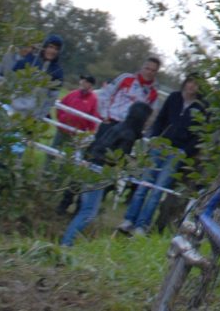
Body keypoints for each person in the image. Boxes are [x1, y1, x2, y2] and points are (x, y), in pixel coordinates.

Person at [117, 76, 208, 236]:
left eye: (196, 84)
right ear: (185, 82)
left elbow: (198, 135)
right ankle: (129, 219)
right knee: (143, 184)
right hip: (160, 145)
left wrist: (185, 151)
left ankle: (142, 225)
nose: (192, 86)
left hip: (177, 152)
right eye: (190, 82)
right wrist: (155, 137)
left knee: (158, 189)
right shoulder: (173, 97)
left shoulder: (201, 108)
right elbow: (160, 119)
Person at [59, 101, 153, 246]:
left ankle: (67, 241)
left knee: (87, 210)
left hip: (91, 166)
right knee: (88, 212)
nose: (148, 123)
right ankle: (66, 243)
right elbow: (118, 159)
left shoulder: (119, 127)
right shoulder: (128, 135)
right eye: (147, 119)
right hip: (99, 172)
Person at [9, 34, 66, 118]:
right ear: (45, 47)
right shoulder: (29, 60)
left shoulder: (57, 72)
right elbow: (11, 79)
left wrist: (40, 116)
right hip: (13, 109)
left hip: (32, 118)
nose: (53, 51)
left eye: (56, 49)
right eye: (50, 47)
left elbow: (52, 98)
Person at [98, 56, 161, 127]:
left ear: (156, 72)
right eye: (147, 68)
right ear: (142, 67)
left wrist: (141, 128)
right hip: (110, 121)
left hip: (129, 129)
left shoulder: (154, 93)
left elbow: (152, 116)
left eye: (153, 70)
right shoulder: (126, 78)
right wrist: (104, 115)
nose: (149, 72)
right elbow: (106, 94)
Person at [49, 74, 100, 158]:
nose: (82, 83)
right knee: (52, 152)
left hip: (77, 133)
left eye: (86, 81)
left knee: (69, 157)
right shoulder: (73, 93)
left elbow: (93, 118)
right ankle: (46, 169)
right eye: (82, 80)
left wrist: (89, 132)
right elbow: (60, 106)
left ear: (90, 84)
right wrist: (62, 118)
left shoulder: (94, 100)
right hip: (63, 129)